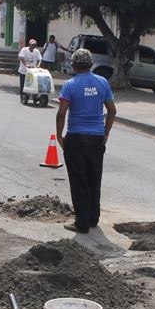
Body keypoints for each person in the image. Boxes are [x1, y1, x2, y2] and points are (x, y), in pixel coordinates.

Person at [55, 48, 116, 234]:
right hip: (96, 138)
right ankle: (92, 218)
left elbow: (61, 113)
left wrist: (59, 136)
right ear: (91, 65)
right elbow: (112, 111)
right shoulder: (103, 82)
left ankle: (81, 223)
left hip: (76, 138)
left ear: (73, 65)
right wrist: (105, 134)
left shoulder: (70, 85)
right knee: (94, 178)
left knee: (78, 180)